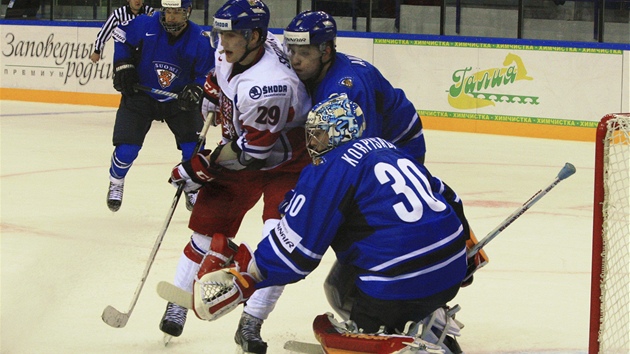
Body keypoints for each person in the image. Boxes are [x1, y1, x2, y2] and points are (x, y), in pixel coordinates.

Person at [190, 94, 468, 353]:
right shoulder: (389, 148)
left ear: (340, 132)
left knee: (341, 292)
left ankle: (382, 332)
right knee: (348, 274)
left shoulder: (331, 167)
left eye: (318, 135)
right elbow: (450, 198)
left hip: (396, 285)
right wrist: (467, 248)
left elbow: (297, 253)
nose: (312, 144)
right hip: (452, 269)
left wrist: (249, 276)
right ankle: (431, 323)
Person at [232, 10, 429, 351]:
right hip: (376, 149)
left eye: (304, 53)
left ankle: (403, 311)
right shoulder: (309, 68)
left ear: (326, 51)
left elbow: (353, 160)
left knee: (329, 234)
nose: (294, 60)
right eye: (291, 51)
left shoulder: (345, 90)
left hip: (399, 150)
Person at [158, 0, 311, 350]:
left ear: (255, 36)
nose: (222, 41)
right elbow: (224, 76)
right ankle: (179, 303)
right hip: (244, 145)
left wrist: (203, 166)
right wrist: (216, 90)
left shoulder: (268, 84)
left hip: (287, 162)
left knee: (279, 244)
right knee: (204, 232)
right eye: (220, 32)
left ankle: (251, 323)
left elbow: (253, 153)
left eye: (231, 35)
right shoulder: (234, 48)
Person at [106, 0, 214, 212]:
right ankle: (116, 181)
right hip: (141, 95)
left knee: (192, 149)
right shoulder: (146, 24)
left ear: (188, 12)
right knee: (127, 149)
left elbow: (206, 72)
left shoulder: (199, 39)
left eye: (177, 12)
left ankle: (191, 189)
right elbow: (120, 36)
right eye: (168, 12)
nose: (171, 17)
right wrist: (123, 64)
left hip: (178, 100)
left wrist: (197, 88)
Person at [90, 0, 154, 63]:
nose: (137, 1)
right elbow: (104, 32)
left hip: (144, 56)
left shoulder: (150, 12)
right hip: (124, 55)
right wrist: (97, 50)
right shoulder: (118, 14)